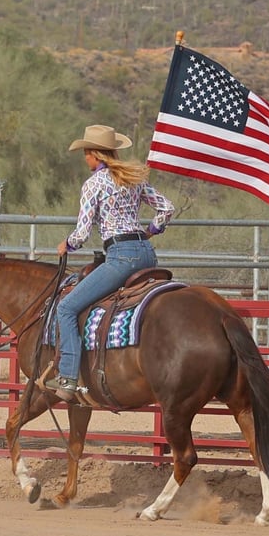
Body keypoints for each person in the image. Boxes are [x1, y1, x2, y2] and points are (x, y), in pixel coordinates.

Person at [45, 124, 175, 402]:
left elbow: (82, 233)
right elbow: (167, 207)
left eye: (86, 154)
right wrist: (151, 229)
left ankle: (67, 377)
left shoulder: (93, 185)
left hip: (121, 257)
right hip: (147, 254)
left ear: (94, 154)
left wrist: (66, 245)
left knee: (67, 308)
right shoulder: (133, 179)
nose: (85, 159)